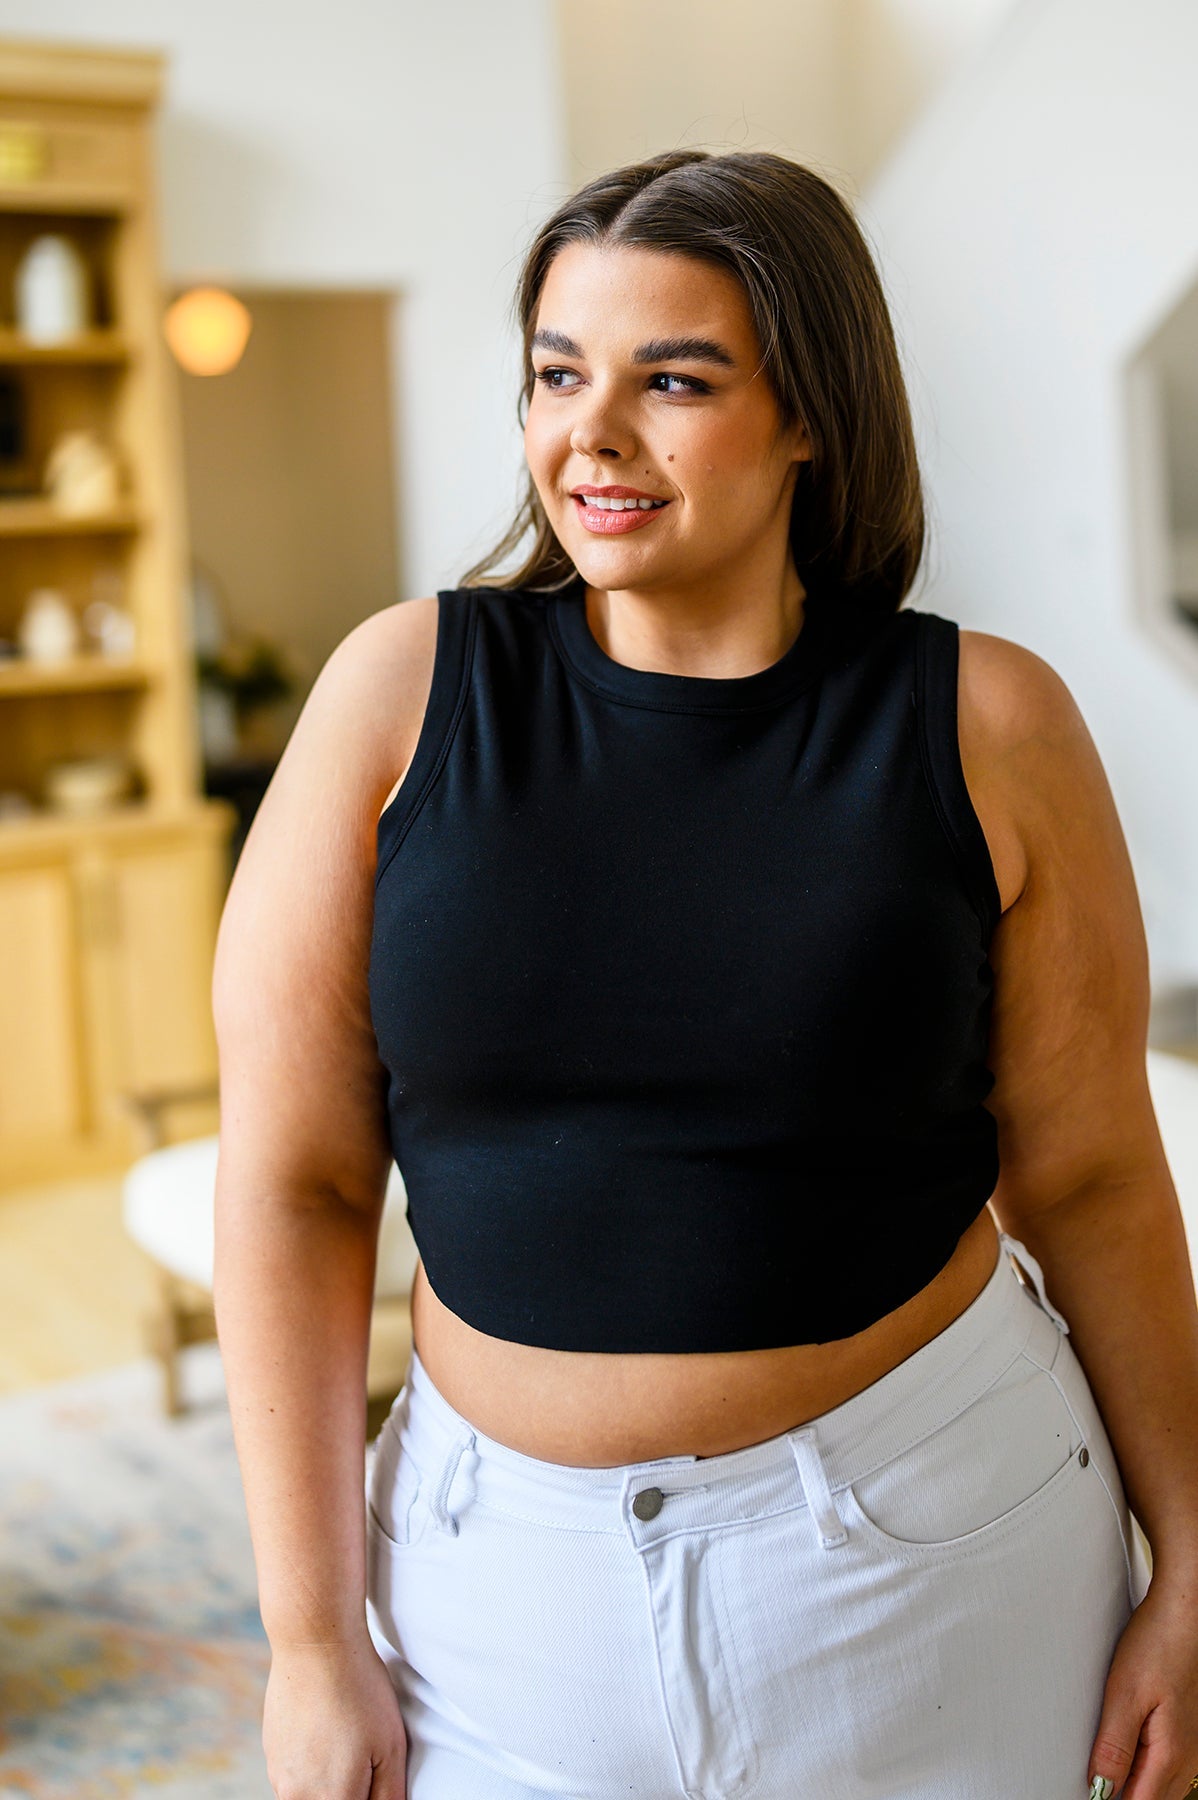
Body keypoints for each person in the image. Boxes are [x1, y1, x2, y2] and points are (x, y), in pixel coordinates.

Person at [211, 150, 1198, 1800]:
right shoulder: (397, 696)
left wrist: (1192, 1564)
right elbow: (298, 1181)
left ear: (808, 413)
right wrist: (310, 1639)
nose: (589, 433)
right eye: (554, 374)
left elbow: (1091, 1174)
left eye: (672, 380)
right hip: (491, 1586)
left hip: (938, 1554)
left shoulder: (989, 726)